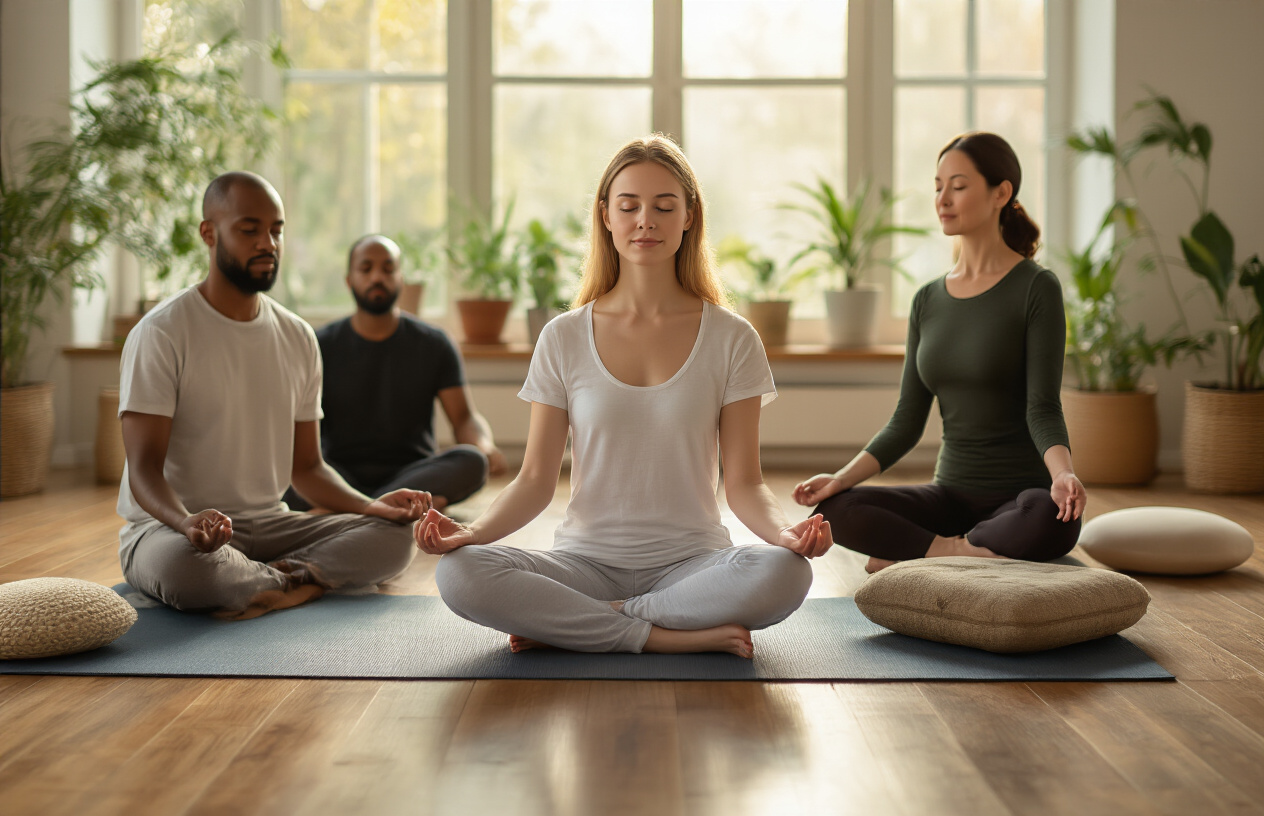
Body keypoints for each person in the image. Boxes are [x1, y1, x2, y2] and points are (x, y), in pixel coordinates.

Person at [414, 135, 832, 657]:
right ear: (606, 216)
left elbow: (746, 482)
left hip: (693, 566)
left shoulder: (732, 338)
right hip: (583, 566)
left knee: (784, 573)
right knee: (459, 573)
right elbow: (536, 480)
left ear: (689, 217)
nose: (645, 221)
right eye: (629, 205)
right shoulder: (563, 336)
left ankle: (592, 626)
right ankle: (662, 637)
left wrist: (785, 534)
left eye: (664, 206)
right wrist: (470, 534)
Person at [117, 172, 428, 620]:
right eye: (249, 230)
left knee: (395, 537)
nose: (267, 242)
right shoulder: (161, 332)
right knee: (189, 572)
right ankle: (296, 581)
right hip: (172, 532)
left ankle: (273, 583)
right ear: (209, 232)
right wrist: (186, 522)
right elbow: (143, 469)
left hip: (269, 526)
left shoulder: (298, 336)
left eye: (276, 230)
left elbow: (307, 469)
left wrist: (372, 506)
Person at [793, 132, 1086, 573]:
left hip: (1020, 500)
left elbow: (1042, 406)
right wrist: (839, 479)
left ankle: (922, 551)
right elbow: (906, 421)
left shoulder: (1035, 287)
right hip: (948, 497)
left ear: (1001, 193)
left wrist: (1062, 474)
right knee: (835, 509)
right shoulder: (928, 299)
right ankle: (957, 552)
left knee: (1054, 519)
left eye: (959, 185)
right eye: (937, 186)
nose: (943, 199)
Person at [283, 234, 506, 514]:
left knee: (473, 461)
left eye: (388, 269)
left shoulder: (435, 343)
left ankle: (356, 508)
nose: (377, 276)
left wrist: (484, 444)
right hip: (337, 474)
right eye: (366, 269)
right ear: (349, 280)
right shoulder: (319, 345)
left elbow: (464, 417)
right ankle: (398, 507)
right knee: (287, 473)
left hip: (412, 472)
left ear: (401, 278)